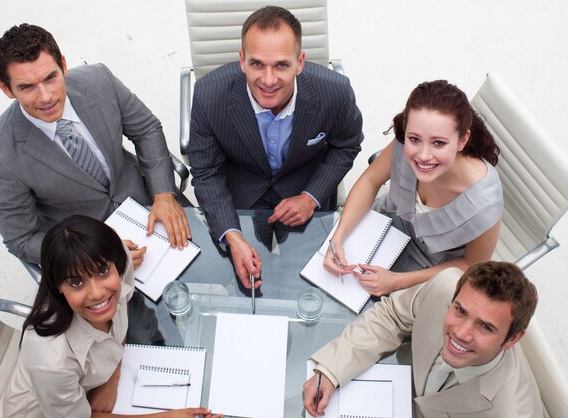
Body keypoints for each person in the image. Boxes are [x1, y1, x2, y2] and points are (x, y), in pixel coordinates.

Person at [0, 24, 191, 266]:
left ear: (63, 64)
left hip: (151, 202)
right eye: (27, 87)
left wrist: (163, 194)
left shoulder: (100, 81)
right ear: (6, 88)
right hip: (93, 253)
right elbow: (21, 239)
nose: (46, 96)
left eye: (51, 78)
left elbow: (146, 130)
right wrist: (90, 254)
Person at [189, 6, 363, 289]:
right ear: (242, 60)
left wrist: (311, 197)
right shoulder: (209, 95)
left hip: (304, 188)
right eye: (257, 64)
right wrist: (232, 235)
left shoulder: (335, 92)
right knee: (244, 286)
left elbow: (347, 144)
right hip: (239, 195)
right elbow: (206, 172)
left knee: (307, 284)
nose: (268, 81)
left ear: (300, 62)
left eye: (282, 65)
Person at [3, 215, 220, 418]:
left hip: (94, 386)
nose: (97, 293)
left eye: (103, 271)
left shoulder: (121, 262)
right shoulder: (51, 361)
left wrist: (114, 373)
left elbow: (121, 315)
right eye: (76, 282)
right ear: (57, 286)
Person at [325, 80, 502, 296]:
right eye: (414, 139)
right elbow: (370, 180)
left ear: (463, 140)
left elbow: (471, 266)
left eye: (438, 143)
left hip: (429, 270)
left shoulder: (485, 203)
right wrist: (338, 238)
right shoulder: (403, 143)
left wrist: (396, 281)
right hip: (383, 226)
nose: (423, 155)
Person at [303, 261, 547, 417]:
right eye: (460, 310)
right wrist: (332, 370)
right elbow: (391, 315)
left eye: (485, 326)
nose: (461, 333)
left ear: (512, 339)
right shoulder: (446, 284)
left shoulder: (509, 412)